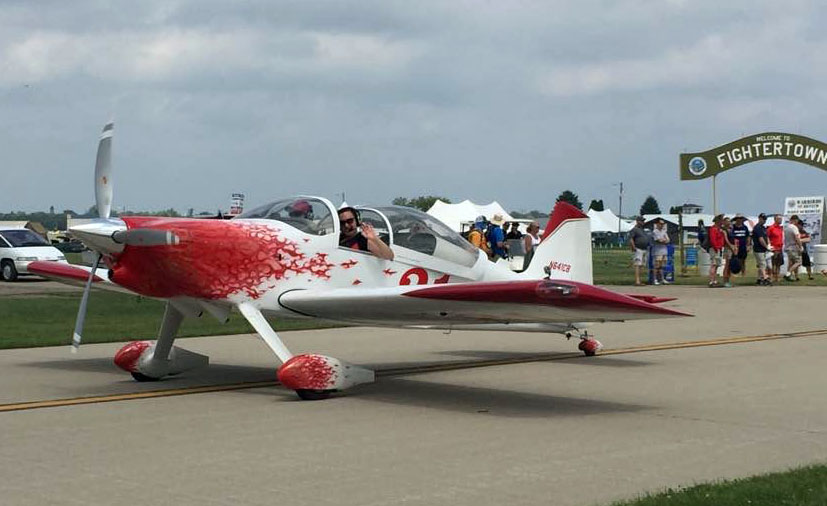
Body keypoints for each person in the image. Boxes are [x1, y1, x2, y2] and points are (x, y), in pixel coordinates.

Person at [628, 216, 650, 286]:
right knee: (638, 264)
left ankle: (639, 280)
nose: (643, 222)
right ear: (637, 221)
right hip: (638, 249)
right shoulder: (634, 229)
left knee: (641, 265)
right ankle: (637, 281)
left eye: (643, 221)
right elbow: (631, 239)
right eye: (642, 221)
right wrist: (633, 247)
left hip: (644, 249)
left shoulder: (642, 229)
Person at [751, 213, 771, 285]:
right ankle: (765, 278)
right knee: (763, 264)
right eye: (763, 219)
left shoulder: (763, 228)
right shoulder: (757, 228)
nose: (764, 220)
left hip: (763, 249)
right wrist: (766, 247)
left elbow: (766, 237)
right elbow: (761, 239)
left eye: (765, 219)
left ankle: (759, 278)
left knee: (760, 264)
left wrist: (768, 245)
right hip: (758, 249)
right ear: (759, 218)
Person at [707, 214, 725, 287]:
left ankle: (714, 280)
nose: (722, 222)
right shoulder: (713, 229)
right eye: (721, 220)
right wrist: (716, 248)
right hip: (715, 249)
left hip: (719, 248)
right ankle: (711, 281)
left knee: (717, 265)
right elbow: (713, 240)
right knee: (713, 265)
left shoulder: (719, 229)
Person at [783, 215, 803, 281]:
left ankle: (789, 276)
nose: (797, 222)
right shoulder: (794, 227)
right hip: (793, 247)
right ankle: (788, 273)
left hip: (788, 247)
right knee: (798, 262)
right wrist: (801, 246)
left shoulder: (786, 227)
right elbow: (797, 238)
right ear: (795, 220)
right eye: (797, 220)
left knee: (791, 262)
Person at [651, 219, 670, 285]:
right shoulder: (655, 231)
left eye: (663, 224)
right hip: (657, 251)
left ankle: (662, 279)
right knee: (656, 266)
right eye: (660, 224)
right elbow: (658, 240)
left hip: (664, 251)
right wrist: (664, 240)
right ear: (657, 224)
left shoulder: (664, 231)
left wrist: (664, 240)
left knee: (662, 266)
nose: (662, 225)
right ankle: (655, 279)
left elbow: (668, 240)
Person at [767, 214, 784, 283]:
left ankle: (777, 277)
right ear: (775, 219)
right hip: (774, 248)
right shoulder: (771, 228)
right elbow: (767, 237)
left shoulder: (780, 228)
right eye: (779, 219)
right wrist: (769, 246)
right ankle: (772, 277)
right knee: (773, 264)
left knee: (779, 264)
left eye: (781, 219)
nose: (780, 220)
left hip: (780, 248)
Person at [721, 217, 737, 287]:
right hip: (727, 248)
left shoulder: (731, 230)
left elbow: (734, 239)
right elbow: (726, 240)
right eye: (727, 221)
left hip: (733, 247)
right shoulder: (724, 230)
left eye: (729, 221)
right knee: (727, 265)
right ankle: (725, 281)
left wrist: (735, 247)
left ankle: (729, 280)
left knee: (730, 265)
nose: (728, 222)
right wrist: (731, 247)